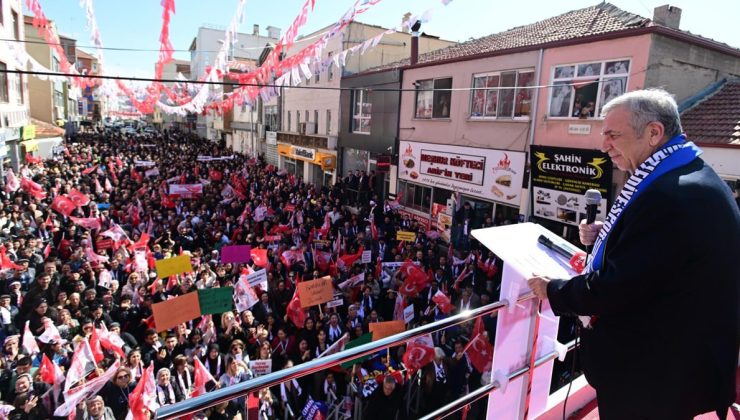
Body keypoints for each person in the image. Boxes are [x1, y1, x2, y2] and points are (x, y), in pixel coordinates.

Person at [527, 89, 739, 419]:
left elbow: (616, 287)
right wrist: (609, 237)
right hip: (676, 364)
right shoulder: (687, 174)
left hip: (653, 377)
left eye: (613, 135)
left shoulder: (670, 196)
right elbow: (662, 256)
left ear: (654, 133)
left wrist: (551, 290)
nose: (603, 146)